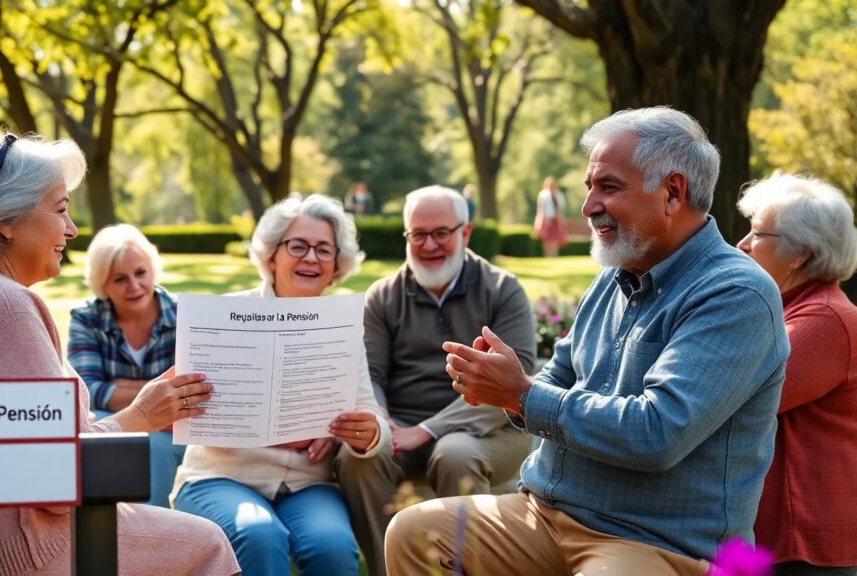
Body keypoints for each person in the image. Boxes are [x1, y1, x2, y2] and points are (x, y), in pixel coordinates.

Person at [386, 107, 791, 576]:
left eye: (608, 187)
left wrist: (522, 393)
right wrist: (504, 390)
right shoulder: (613, 277)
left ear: (672, 192)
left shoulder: (735, 293)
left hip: (654, 540)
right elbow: (557, 376)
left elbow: (657, 434)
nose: (587, 206)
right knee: (413, 533)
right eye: (589, 187)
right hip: (546, 514)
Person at [0, 132, 239, 576]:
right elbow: (60, 482)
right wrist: (142, 416)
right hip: (7, 556)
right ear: (6, 221)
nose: (72, 229)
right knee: (207, 545)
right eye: (61, 209)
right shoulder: (2, 305)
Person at [170, 193, 392, 576]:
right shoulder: (224, 317)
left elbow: (370, 414)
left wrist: (367, 433)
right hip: (219, 477)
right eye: (298, 246)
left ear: (336, 264)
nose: (312, 258)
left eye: (324, 249)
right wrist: (273, 432)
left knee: (334, 547)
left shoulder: (342, 329)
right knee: (258, 534)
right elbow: (188, 403)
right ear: (272, 255)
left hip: (309, 484)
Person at [336, 184, 536, 576]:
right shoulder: (383, 296)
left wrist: (428, 430)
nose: (429, 245)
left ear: (466, 232)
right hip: (402, 429)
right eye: (418, 234)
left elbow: (514, 380)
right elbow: (370, 374)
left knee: (454, 453)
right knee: (357, 457)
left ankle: (469, 569)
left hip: (490, 429)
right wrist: (380, 418)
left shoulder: (502, 290)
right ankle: (388, 569)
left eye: (441, 233)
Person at [736, 173, 857, 576]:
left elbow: (732, 396)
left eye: (757, 234)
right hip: (771, 536)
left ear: (799, 254)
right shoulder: (790, 310)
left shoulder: (824, 320)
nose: (742, 244)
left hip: (803, 542)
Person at [68, 224, 185, 508]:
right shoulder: (86, 318)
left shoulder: (184, 314)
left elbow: (190, 389)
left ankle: (152, 526)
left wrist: (119, 388)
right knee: (93, 432)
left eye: (141, 273)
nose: (134, 286)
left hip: (172, 429)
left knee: (158, 444)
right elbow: (86, 391)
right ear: (102, 284)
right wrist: (157, 398)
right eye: (120, 278)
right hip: (116, 422)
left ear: (152, 271)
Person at [533, 176, 567, 257]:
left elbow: (560, 209)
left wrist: (561, 220)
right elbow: (540, 209)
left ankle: (554, 256)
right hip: (546, 219)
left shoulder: (559, 195)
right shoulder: (543, 195)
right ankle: (547, 256)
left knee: (555, 239)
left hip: (556, 219)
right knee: (547, 240)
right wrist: (540, 220)